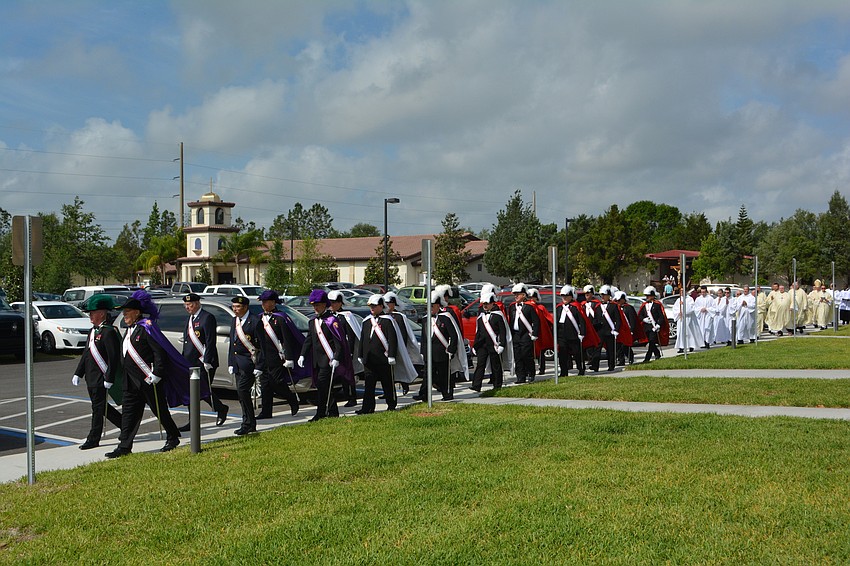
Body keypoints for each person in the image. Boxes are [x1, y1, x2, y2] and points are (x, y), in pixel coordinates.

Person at [106, 292, 186, 458]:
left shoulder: (147, 327)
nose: (124, 315)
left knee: (160, 411)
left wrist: (157, 373)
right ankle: (124, 447)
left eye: (126, 312)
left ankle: (172, 436)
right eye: (123, 312)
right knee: (128, 414)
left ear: (136, 312)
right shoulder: (129, 331)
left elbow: (159, 353)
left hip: (148, 379)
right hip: (130, 382)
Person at [72, 294, 123, 450]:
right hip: (91, 377)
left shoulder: (109, 332)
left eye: (92, 313)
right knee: (101, 406)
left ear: (101, 313)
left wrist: (109, 377)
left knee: (97, 408)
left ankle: (93, 438)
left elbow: (113, 358)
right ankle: (125, 424)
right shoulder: (92, 331)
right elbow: (86, 354)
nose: (90, 316)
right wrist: (78, 373)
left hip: (101, 377)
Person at [179, 293, 228, 431]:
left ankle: (221, 408)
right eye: (186, 305)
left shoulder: (207, 318)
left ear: (198, 303)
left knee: (203, 390)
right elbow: (187, 343)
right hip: (190, 362)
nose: (188, 307)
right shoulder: (190, 319)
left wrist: (207, 360)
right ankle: (192, 421)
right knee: (191, 392)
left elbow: (210, 341)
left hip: (204, 361)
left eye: (191, 304)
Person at [299, 290, 349, 421]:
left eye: (318, 305)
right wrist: (302, 355)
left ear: (325, 305)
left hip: (328, 359)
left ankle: (322, 412)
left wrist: (337, 357)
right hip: (316, 360)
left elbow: (339, 341)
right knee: (322, 387)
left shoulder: (332, 320)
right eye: (313, 305)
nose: (315, 308)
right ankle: (331, 411)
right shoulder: (312, 322)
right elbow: (309, 340)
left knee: (323, 386)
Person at [255, 290, 300, 419]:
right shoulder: (259, 318)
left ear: (273, 302)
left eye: (266, 302)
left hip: (277, 356)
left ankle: (292, 399)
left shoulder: (281, 318)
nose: (263, 304)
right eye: (262, 302)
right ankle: (266, 411)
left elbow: (287, 339)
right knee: (265, 385)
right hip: (263, 356)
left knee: (277, 383)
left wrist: (289, 357)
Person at [413, 290, 459, 401]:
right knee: (427, 375)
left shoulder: (446, 318)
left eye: (432, 306)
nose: (429, 308)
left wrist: (451, 350)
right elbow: (424, 338)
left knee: (444, 375)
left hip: (443, 352)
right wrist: (423, 352)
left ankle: (447, 394)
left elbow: (454, 336)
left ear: (438, 305)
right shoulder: (425, 319)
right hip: (430, 352)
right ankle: (423, 394)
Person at [357, 295, 399, 413]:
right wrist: (361, 354)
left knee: (387, 383)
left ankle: (391, 404)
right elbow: (363, 339)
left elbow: (392, 339)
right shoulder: (366, 321)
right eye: (371, 306)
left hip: (383, 358)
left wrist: (391, 355)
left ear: (381, 306)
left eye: (374, 306)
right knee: (369, 385)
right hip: (369, 359)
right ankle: (367, 407)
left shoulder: (387, 321)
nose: (372, 308)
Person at [228, 296, 261, 435]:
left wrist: (259, 366)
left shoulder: (254, 321)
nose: (235, 309)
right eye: (234, 307)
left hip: (249, 364)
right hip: (237, 363)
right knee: (242, 395)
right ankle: (249, 422)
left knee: (243, 391)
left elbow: (261, 346)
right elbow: (232, 343)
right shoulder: (234, 320)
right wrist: (231, 362)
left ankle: (247, 423)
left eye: (238, 307)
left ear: (245, 307)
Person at [328, 290, 362, 407]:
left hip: (345, 350)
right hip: (333, 351)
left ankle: (352, 397)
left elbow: (351, 335)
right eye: (331, 303)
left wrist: (351, 351)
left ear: (340, 303)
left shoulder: (346, 316)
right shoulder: (329, 316)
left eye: (335, 303)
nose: (332, 305)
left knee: (347, 375)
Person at [470, 291, 508, 391]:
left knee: (495, 365)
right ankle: (476, 385)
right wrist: (475, 346)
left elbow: (503, 332)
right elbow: (478, 333)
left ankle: (497, 385)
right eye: (484, 304)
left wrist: (502, 345)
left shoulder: (498, 316)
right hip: (482, 345)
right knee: (480, 365)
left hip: (493, 344)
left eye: (487, 304)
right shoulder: (480, 317)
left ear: (492, 304)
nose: (485, 306)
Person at [507, 283, 540, 383]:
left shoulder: (529, 307)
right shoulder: (512, 307)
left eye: (518, 294)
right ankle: (520, 377)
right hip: (516, 334)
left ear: (524, 295)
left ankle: (531, 373)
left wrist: (534, 334)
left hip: (526, 334)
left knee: (526, 355)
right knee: (518, 356)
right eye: (515, 294)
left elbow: (536, 321)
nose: (516, 296)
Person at [555, 286, 585, 376]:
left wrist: (582, 333)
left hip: (573, 334)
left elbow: (582, 321)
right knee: (562, 354)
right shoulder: (559, 307)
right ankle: (564, 371)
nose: (564, 298)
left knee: (577, 354)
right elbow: (556, 322)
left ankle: (580, 369)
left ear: (571, 296)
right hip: (562, 335)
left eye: (566, 296)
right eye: (563, 296)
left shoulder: (576, 307)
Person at [591, 285, 620, 371]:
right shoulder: (598, 306)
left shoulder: (613, 306)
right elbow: (595, 319)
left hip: (610, 331)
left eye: (604, 295)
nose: (602, 297)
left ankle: (611, 366)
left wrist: (616, 330)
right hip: (600, 331)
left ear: (608, 296)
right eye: (601, 295)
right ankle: (595, 366)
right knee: (597, 349)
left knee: (610, 350)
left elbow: (618, 320)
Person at [637, 286, 669, 362]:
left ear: (652, 296)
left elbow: (661, 317)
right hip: (646, 327)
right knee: (650, 342)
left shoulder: (657, 305)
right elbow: (640, 315)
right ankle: (657, 353)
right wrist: (644, 319)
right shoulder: (644, 305)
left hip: (654, 327)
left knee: (651, 341)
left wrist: (658, 325)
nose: (646, 297)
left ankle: (647, 358)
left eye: (648, 296)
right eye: (646, 296)